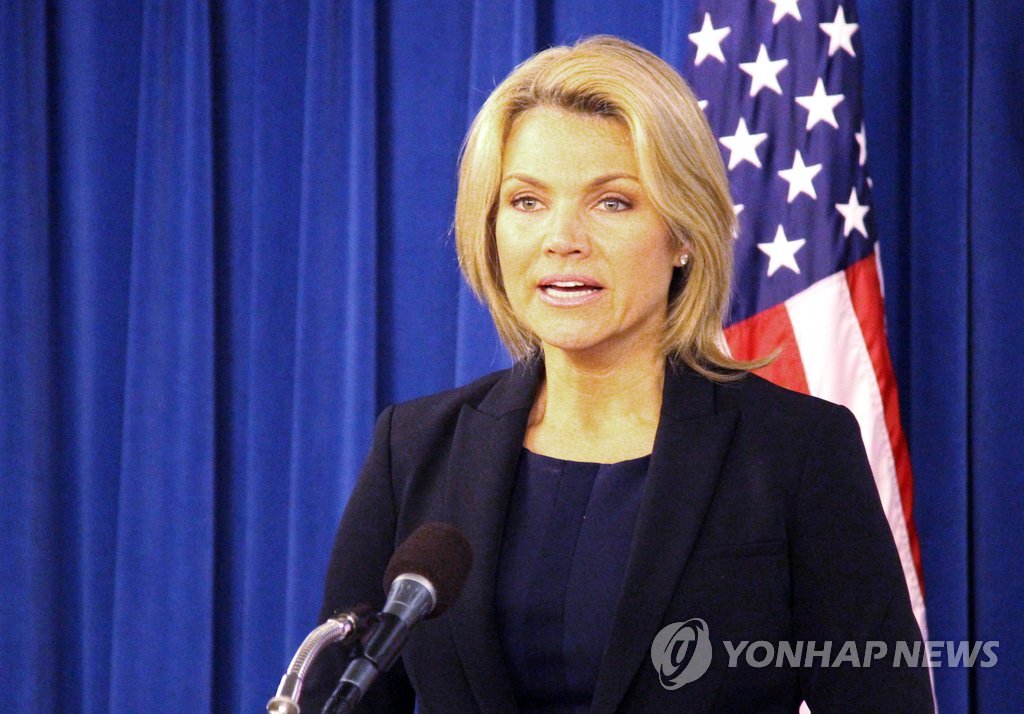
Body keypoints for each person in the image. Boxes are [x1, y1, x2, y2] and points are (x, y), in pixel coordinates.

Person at [302, 36, 932, 713]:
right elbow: (341, 698)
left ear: (684, 233)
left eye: (612, 203)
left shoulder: (795, 451)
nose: (562, 239)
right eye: (526, 201)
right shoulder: (414, 448)